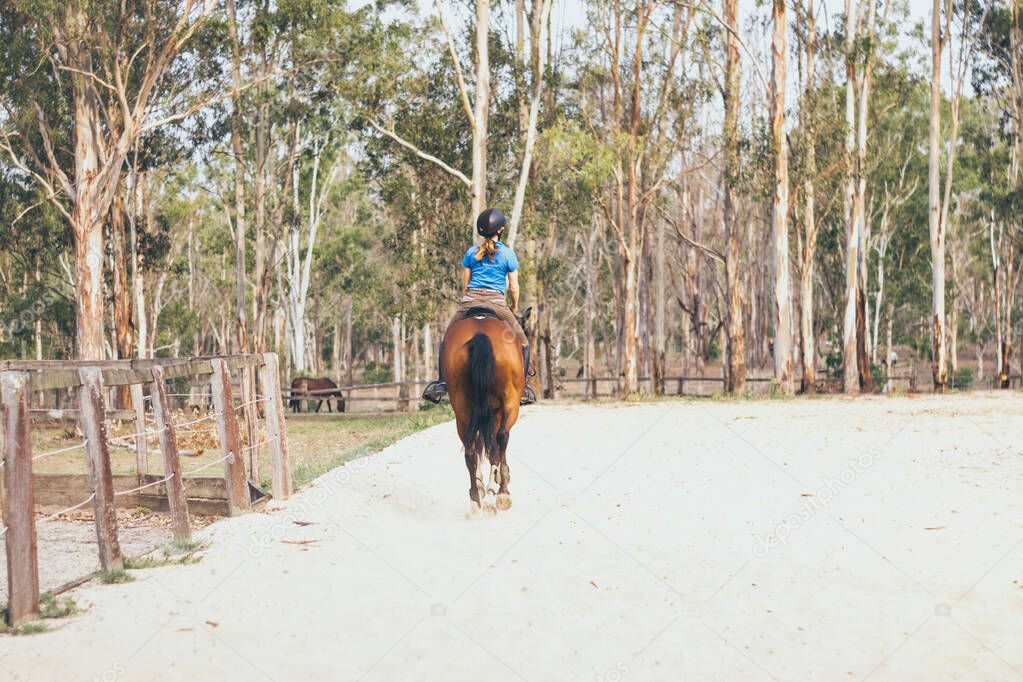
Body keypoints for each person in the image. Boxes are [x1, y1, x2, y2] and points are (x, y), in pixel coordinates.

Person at [423, 208, 536, 405]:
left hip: (470, 301)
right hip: (497, 303)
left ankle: (442, 382)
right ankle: (524, 386)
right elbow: (514, 288)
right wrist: (514, 306)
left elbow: (465, 285)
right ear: (500, 230)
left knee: (447, 339)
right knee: (523, 342)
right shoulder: (508, 254)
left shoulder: (471, 253)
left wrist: (471, 299)